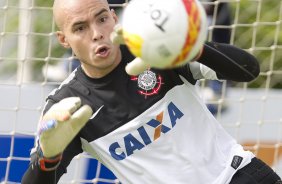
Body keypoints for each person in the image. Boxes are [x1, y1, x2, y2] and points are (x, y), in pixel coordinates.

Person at [21, 0, 281, 183]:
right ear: (63, 39)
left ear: (114, 17)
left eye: (101, 19)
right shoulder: (66, 104)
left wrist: (192, 48)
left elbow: (248, 70)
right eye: (80, 28)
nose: (97, 33)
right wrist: (49, 156)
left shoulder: (157, 49)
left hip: (239, 176)